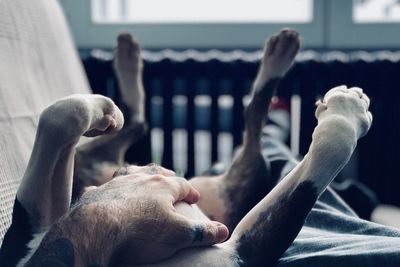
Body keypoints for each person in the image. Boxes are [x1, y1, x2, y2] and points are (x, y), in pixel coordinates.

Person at [0, 28, 399, 267]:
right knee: (272, 160)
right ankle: (262, 109)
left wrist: (62, 127)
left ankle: (255, 117)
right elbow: (244, 250)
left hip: (132, 191)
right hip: (211, 201)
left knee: (266, 161)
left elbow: (30, 238)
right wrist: (334, 138)